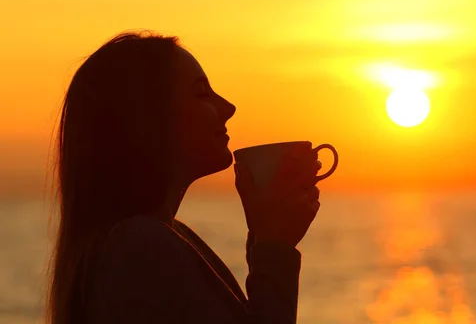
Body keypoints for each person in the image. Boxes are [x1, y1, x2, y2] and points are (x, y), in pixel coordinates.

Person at [44, 30, 322, 324]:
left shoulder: (162, 237)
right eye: (201, 93)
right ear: (147, 117)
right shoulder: (141, 246)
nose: (228, 108)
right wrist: (274, 247)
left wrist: (264, 236)